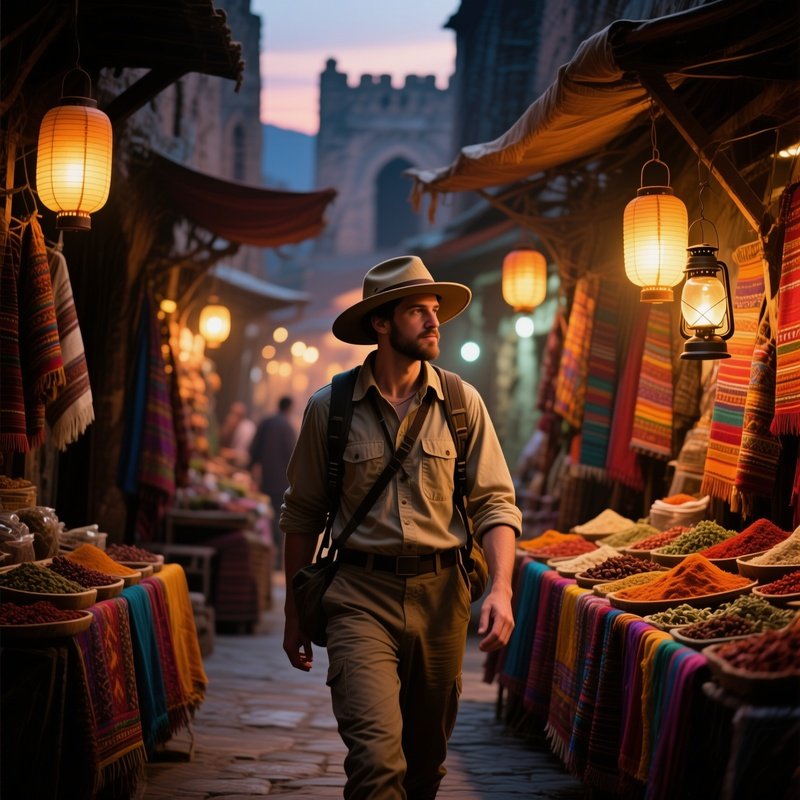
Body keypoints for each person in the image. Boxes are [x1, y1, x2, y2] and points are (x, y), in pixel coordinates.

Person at [280, 255, 521, 800]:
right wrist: (296, 613)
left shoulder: (462, 403)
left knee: (423, 770)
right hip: (358, 597)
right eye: (419, 311)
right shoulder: (330, 409)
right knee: (376, 763)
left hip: (443, 600)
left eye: (435, 311)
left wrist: (502, 588)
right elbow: (301, 516)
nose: (436, 322)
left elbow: (496, 505)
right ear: (381, 323)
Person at [249, 396, 297, 565]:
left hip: (266, 479)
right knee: (279, 518)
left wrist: (251, 468)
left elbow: (254, 449)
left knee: (265, 517)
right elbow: (294, 456)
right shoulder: (288, 427)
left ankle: (266, 553)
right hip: (281, 482)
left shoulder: (266, 422)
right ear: (289, 408)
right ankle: (276, 559)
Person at [219, 401, 256, 468]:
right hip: (235, 464)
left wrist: (223, 453)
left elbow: (241, 454)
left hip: (244, 466)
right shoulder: (236, 426)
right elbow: (222, 437)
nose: (229, 416)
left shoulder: (247, 428)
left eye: (232, 413)